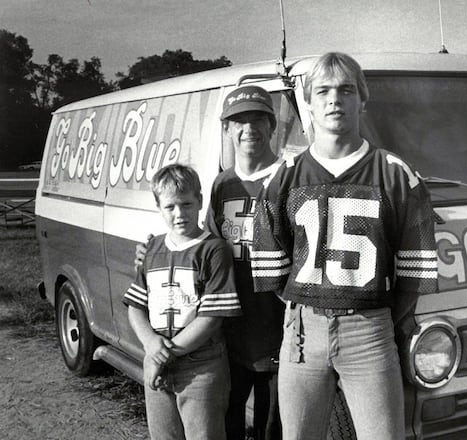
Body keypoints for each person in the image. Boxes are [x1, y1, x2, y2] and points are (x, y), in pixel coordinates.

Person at [250, 52, 438, 440]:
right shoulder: (283, 178)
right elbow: (272, 265)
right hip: (303, 332)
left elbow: (413, 275)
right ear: (310, 104)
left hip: (369, 330)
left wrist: (373, 315)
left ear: (362, 99)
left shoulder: (395, 174)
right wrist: (308, 307)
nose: (335, 99)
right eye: (323, 91)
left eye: (346, 90)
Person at [136, 85, 285, 440]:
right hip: (225, 334)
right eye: (239, 121)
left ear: (272, 126)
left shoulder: (289, 177)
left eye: (258, 119)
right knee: (226, 423)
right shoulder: (222, 183)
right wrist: (151, 254)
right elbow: (200, 245)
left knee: (271, 426)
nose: (248, 128)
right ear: (227, 130)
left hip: (275, 327)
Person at [125, 164, 242, 440]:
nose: (179, 214)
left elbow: (211, 318)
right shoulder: (152, 249)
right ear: (158, 206)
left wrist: (165, 354)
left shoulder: (213, 250)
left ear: (200, 201)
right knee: (164, 435)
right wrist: (152, 347)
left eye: (187, 204)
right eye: (170, 207)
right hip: (156, 359)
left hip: (200, 365)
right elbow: (136, 307)